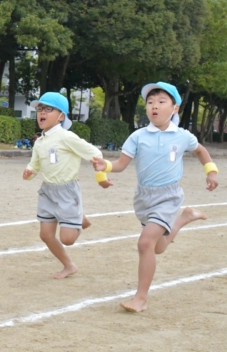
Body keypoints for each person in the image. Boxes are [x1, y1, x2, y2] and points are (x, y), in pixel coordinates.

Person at [91, 81, 219, 313]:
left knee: (144, 243)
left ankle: (140, 298)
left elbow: (200, 150)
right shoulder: (137, 136)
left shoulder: (182, 136)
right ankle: (184, 218)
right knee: (157, 248)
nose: (154, 107)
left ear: (175, 108)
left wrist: (211, 171)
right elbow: (121, 164)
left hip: (168, 197)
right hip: (143, 198)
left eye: (161, 102)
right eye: (150, 102)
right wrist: (105, 166)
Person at [23, 92, 106, 279]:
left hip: (67, 191)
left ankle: (78, 217)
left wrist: (101, 174)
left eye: (48, 109)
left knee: (67, 239)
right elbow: (35, 165)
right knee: (45, 235)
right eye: (40, 109)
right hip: (47, 191)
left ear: (61, 116)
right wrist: (29, 172)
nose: (42, 113)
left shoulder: (66, 137)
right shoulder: (40, 142)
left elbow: (94, 152)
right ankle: (69, 265)